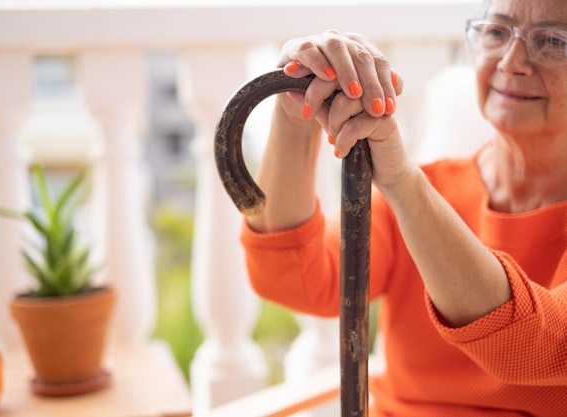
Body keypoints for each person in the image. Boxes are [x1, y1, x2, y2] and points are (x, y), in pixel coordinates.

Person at [239, 0, 567, 415]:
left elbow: (532, 348)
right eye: (497, 32)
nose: (511, 62)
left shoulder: (414, 193)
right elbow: (292, 279)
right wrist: (294, 112)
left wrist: (401, 181)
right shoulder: (433, 190)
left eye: (554, 41)